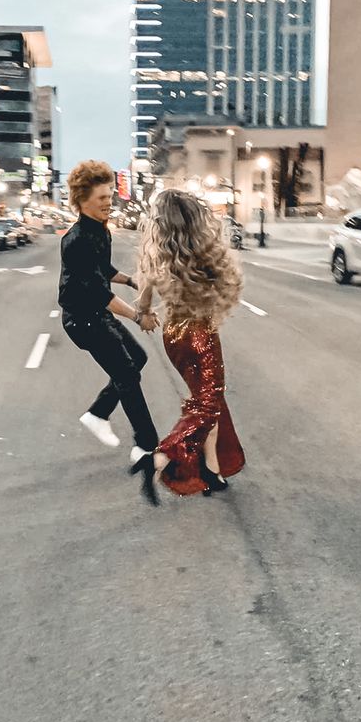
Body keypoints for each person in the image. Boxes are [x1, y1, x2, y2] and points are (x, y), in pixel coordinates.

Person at [131, 189, 245, 502]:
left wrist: (146, 314)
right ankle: (160, 457)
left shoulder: (157, 259)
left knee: (206, 401)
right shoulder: (204, 254)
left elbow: (142, 308)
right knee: (208, 405)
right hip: (201, 335)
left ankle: (211, 470)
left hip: (173, 336)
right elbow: (224, 288)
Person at [59, 161, 160, 503]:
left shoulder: (101, 229)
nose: (108, 202)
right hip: (82, 320)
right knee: (127, 375)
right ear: (82, 199)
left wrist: (131, 279)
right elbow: (98, 292)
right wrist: (137, 316)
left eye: (110, 196)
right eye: (102, 197)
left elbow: (104, 271)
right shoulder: (75, 241)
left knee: (139, 358)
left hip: (96, 314)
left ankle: (99, 413)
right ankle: (146, 445)